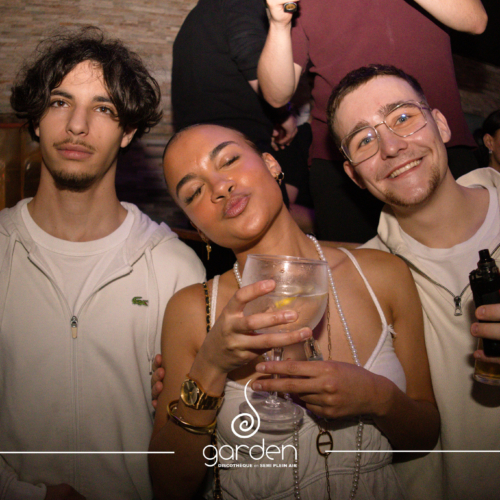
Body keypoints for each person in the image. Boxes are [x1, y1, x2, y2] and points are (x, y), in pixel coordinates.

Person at [149, 123, 439, 499]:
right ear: (197, 226)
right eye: (195, 192)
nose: (220, 187)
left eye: (229, 160)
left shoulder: (383, 274)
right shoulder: (192, 311)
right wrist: (210, 367)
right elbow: (169, 486)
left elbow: (424, 436)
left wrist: (378, 397)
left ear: (271, 164)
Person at [0, 27, 205, 500]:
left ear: (128, 131)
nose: (77, 125)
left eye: (104, 109)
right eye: (59, 102)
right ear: (36, 119)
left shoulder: (175, 268)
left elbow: (198, 447)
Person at [326, 63, 500, 500]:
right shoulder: (358, 281)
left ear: (441, 124)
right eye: (364, 140)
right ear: (354, 175)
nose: (391, 147)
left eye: (403, 117)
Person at [258, 0, 487, 243]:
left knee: (475, 253)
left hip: (434, 141)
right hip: (345, 163)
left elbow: (475, 20)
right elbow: (275, 95)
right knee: (361, 263)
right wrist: (279, 24)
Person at [171, 0, 314, 233]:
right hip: (235, 155)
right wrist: (283, 113)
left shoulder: (197, 18)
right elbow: (267, 84)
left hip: (201, 163)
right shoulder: (240, 5)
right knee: (272, 242)